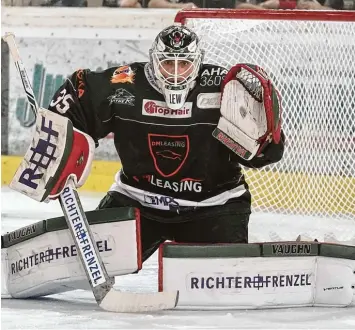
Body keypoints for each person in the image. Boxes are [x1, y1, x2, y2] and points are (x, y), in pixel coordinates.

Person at [47, 25, 285, 264]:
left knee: (222, 283)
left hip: (214, 207)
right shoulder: (125, 82)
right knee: (79, 263)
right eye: (167, 63)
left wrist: (265, 144)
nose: (175, 72)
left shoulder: (225, 88)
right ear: (153, 60)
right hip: (138, 201)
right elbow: (77, 92)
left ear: (197, 62)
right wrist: (55, 142)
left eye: (183, 64)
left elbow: (259, 155)